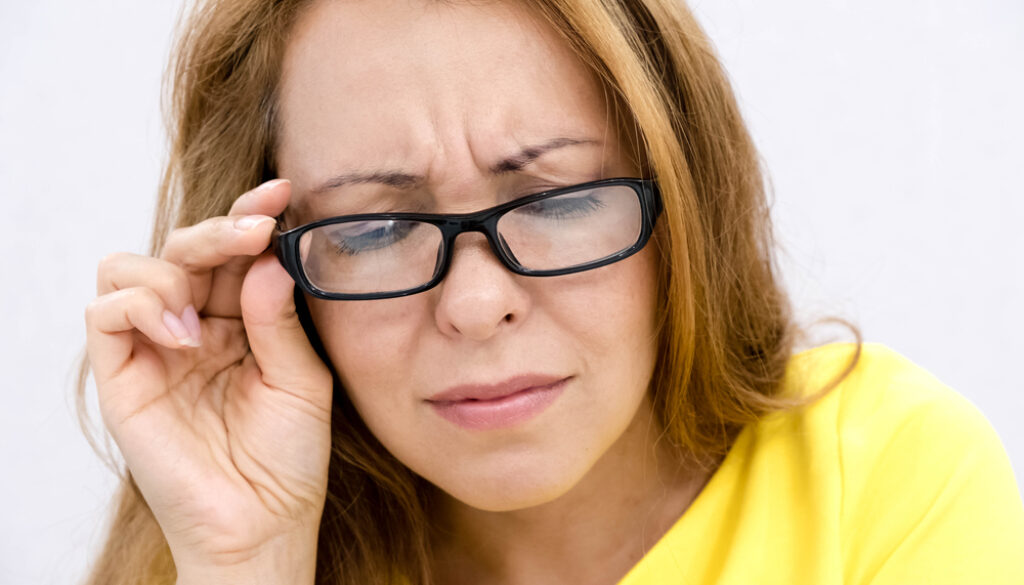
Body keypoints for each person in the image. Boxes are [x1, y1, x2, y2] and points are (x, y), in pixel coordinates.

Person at [80, 0, 1024, 583]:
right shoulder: (220, 550)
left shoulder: (884, 473)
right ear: (268, 275)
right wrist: (246, 563)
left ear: (683, 210)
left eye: (558, 201)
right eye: (372, 228)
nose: (476, 303)